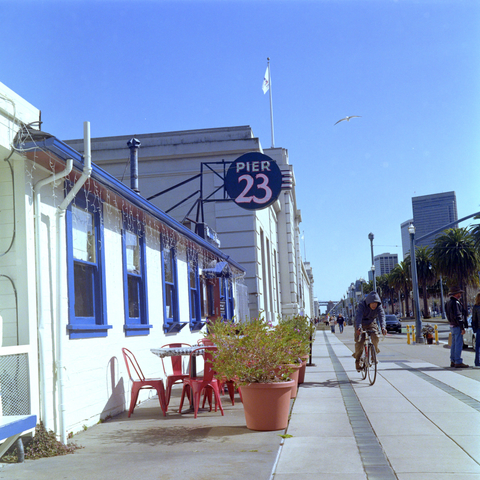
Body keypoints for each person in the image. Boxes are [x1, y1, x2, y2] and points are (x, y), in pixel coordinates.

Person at [352, 291, 387, 372]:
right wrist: (359, 328)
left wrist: (383, 327)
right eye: (372, 303)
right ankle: (358, 360)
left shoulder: (379, 306)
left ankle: (373, 355)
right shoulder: (362, 305)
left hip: (371, 322)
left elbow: (382, 316)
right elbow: (358, 317)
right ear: (368, 303)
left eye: (376, 303)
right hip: (360, 323)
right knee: (359, 342)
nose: (374, 305)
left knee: (376, 336)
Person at [445, 286, 469, 368]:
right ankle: (458, 361)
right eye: (459, 293)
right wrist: (462, 327)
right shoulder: (456, 303)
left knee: (454, 344)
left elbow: (448, 315)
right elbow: (458, 315)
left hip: (452, 325)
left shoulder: (448, 303)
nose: (460, 295)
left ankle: (453, 360)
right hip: (457, 325)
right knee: (458, 344)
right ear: (456, 294)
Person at [471, 292, 480, 367]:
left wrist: (474, 329)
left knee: (478, 346)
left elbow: (474, 319)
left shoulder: (476, 307)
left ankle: (478, 362)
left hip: (479, 328)